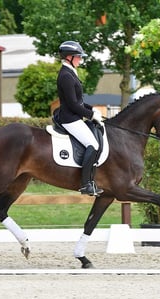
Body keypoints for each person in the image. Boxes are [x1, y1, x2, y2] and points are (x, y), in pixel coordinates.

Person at [57, 40, 104, 196]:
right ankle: (86, 184)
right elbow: (72, 104)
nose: (80, 60)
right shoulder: (65, 75)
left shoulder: (70, 72)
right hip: (70, 118)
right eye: (78, 57)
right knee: (93, 144)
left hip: (75, 115)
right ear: (69, 57)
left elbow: (79, 101)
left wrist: (92, 109)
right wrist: (91, 115)